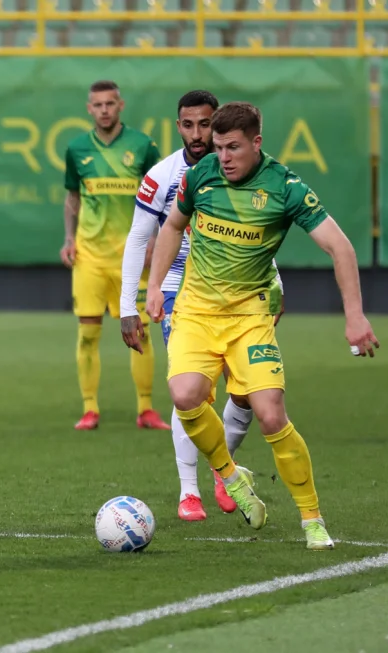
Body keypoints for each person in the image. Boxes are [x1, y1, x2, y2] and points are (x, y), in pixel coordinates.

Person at [146, 101, 380, 550]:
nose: (224, 157)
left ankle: (312, 520)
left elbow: (342, 248)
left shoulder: (286, 187)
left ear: (257, 142)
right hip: (195, 311)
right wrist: (155, 285)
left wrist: (354, 316)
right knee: (184, 395)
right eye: (218, 148)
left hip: (250, 317)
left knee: (271, 414)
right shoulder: (199, 176)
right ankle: (231, 478)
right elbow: (172, 226)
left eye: (233, 147)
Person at [120, 90, 285, 522]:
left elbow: (259, 235)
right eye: (188, 125)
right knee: (187, 391)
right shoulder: (162, 176)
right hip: (181, 290)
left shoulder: (243, 173)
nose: (198, 134)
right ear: (178, 127)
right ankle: (188, 492)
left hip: (242, 293)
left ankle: (223, 470)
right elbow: (139, 238)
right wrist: (130, 303)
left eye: (205, 125)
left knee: (246, 392)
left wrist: (276, 284)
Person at [61, 80, 167, 431]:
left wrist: (155, 239)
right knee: (88, 334)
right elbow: (73, 198)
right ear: (89, 109)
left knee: (142, 332)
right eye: (98, 105)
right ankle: (90, 408)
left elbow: (161, 197)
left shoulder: (143, 147)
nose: (104, 109)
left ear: (120, 105)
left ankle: (146, 409)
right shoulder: (77, 149)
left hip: (132, 257)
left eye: (110, 103)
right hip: (90, 256)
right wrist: (69, 238)